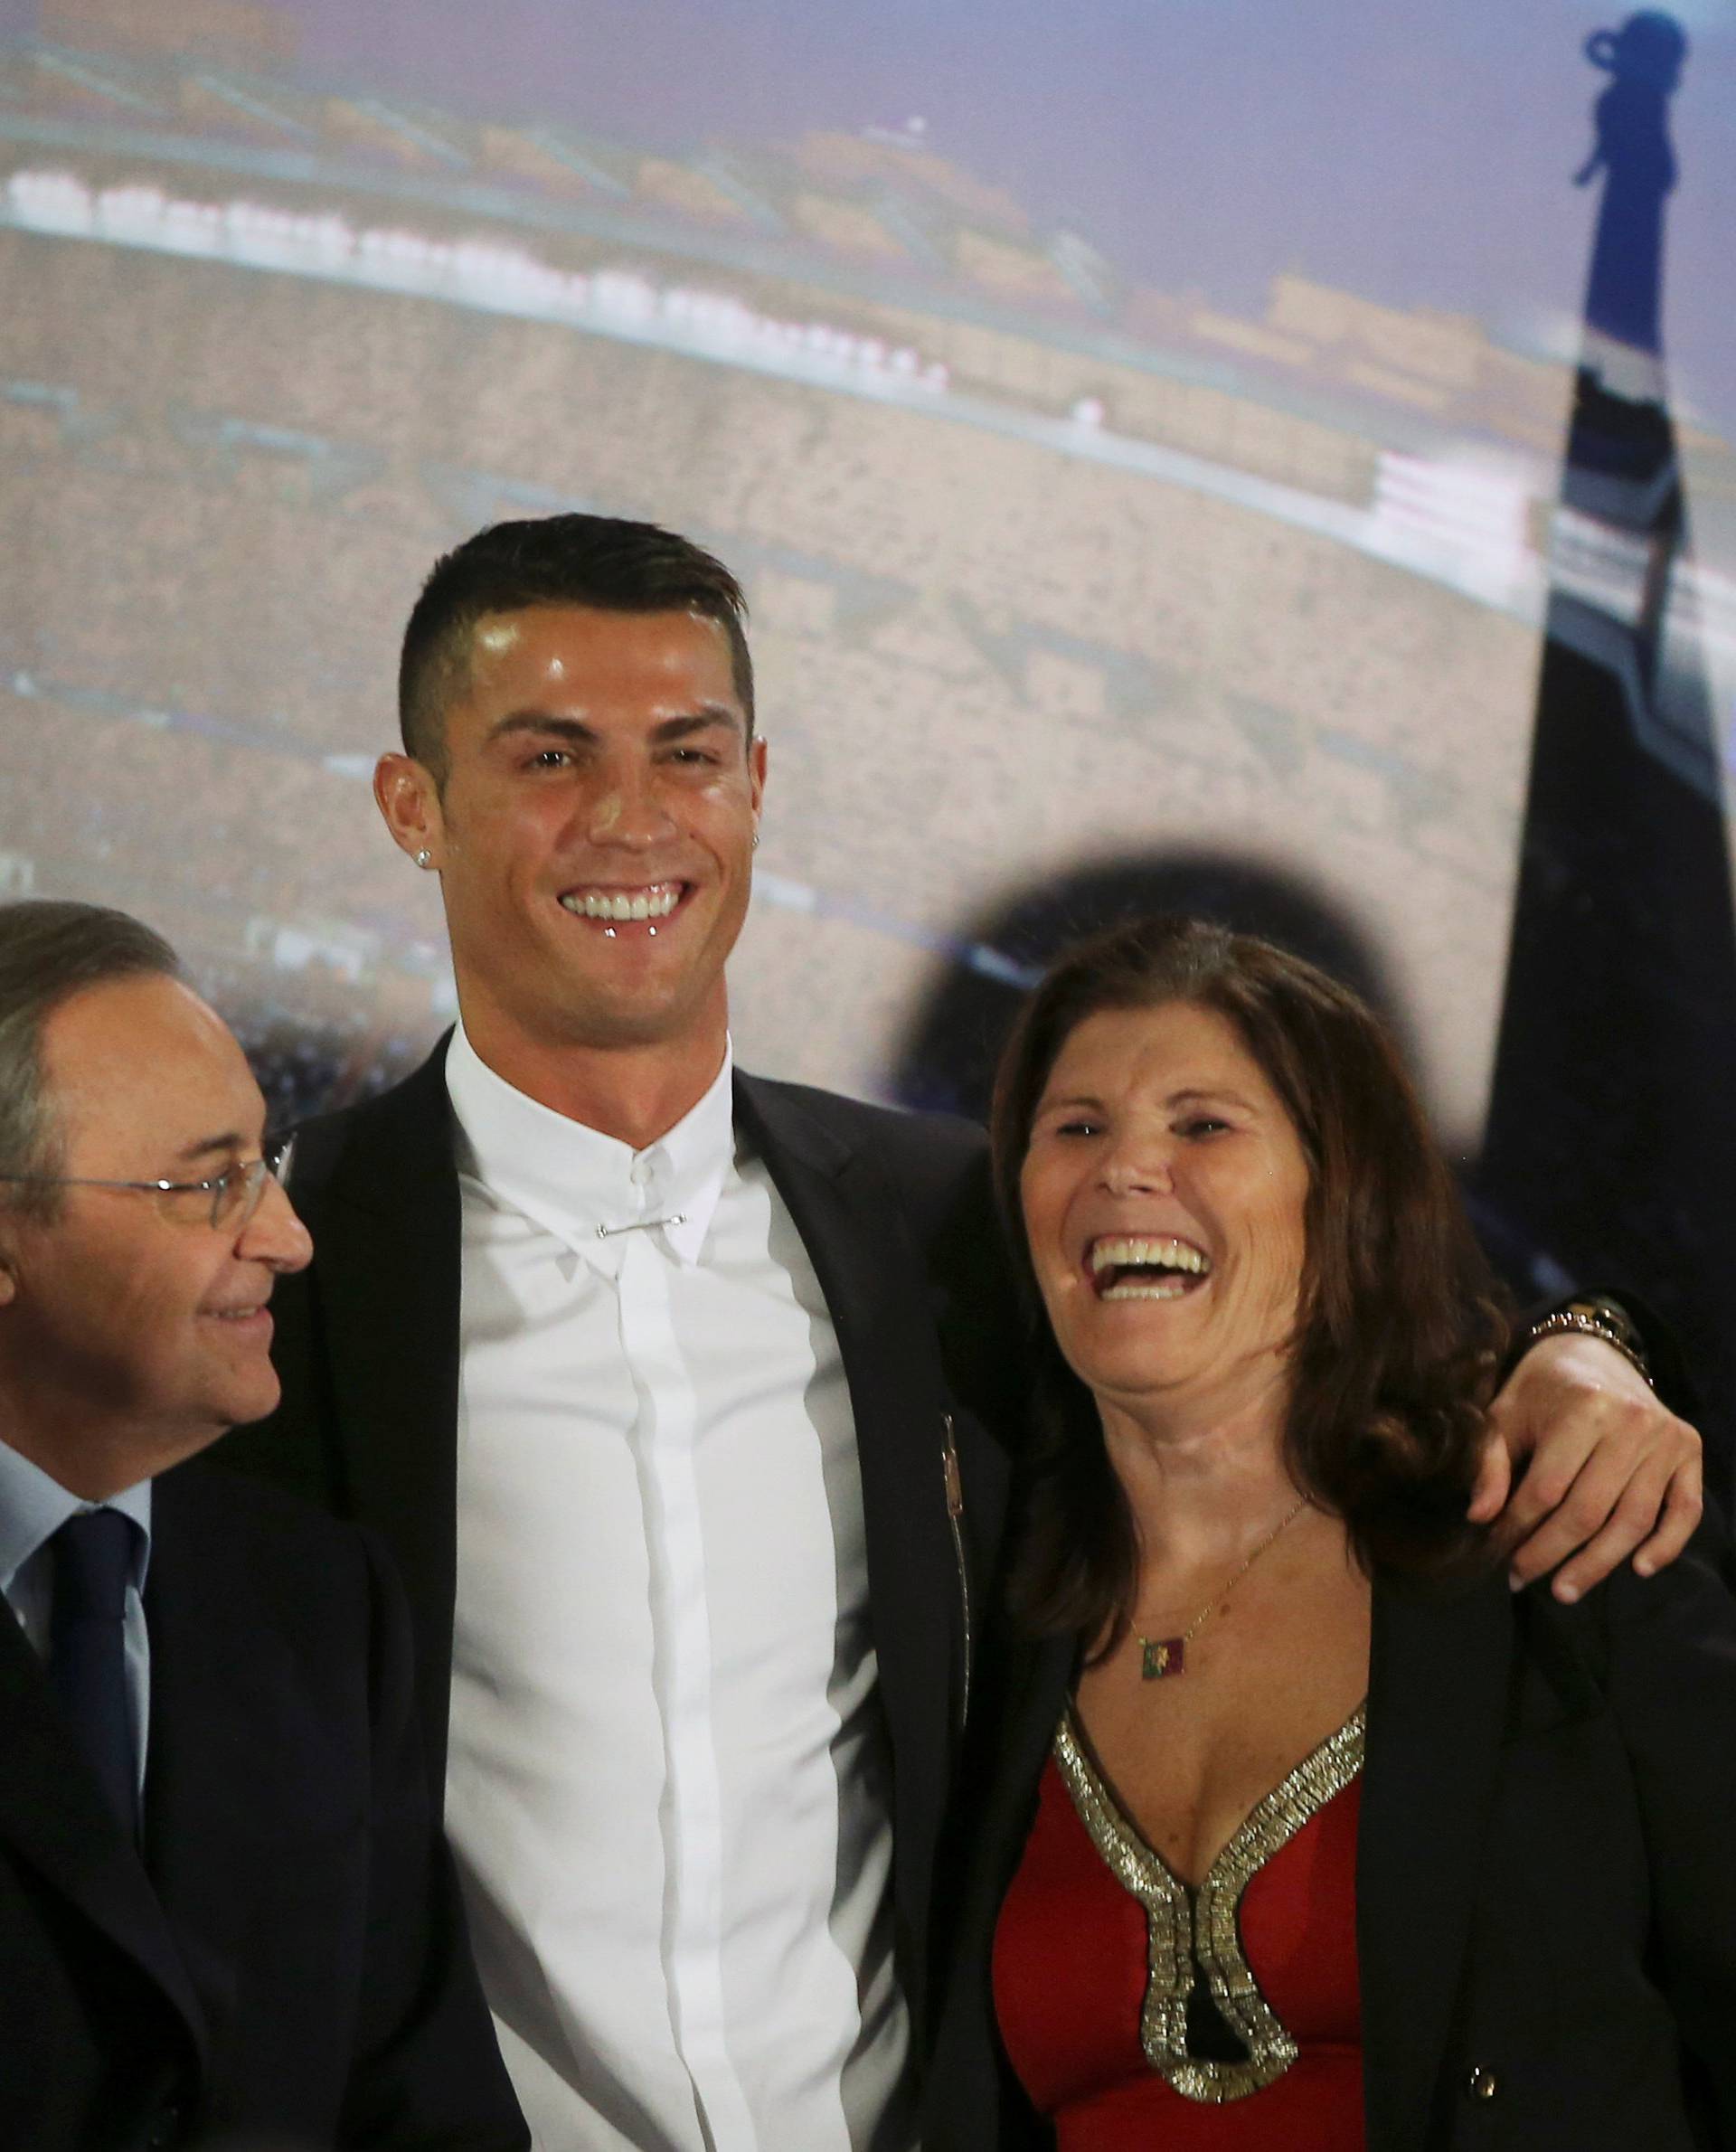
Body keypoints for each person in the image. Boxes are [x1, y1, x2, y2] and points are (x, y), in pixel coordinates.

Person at [225, 514, 1702, 2152]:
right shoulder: (279, 1279)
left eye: (688, 752)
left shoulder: (945, 1233)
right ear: (412, 807)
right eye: (552, 754)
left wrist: (1589, 1344)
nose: (630, 816)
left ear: (759, 786)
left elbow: (1305, 1342)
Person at [922, 915, 1736, 2152]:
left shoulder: (1557, 1533)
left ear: (1340, 1191)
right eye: (1076, 1128)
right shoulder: (985, 1600)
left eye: (1203, 1124)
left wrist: (1590, 1338)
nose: (1125, 1172)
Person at [0, 901, 525, 2152]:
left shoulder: (320, 1605)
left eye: (266, 1165)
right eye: (207, 1184)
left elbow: (426, 2109)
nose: (287, 1239)